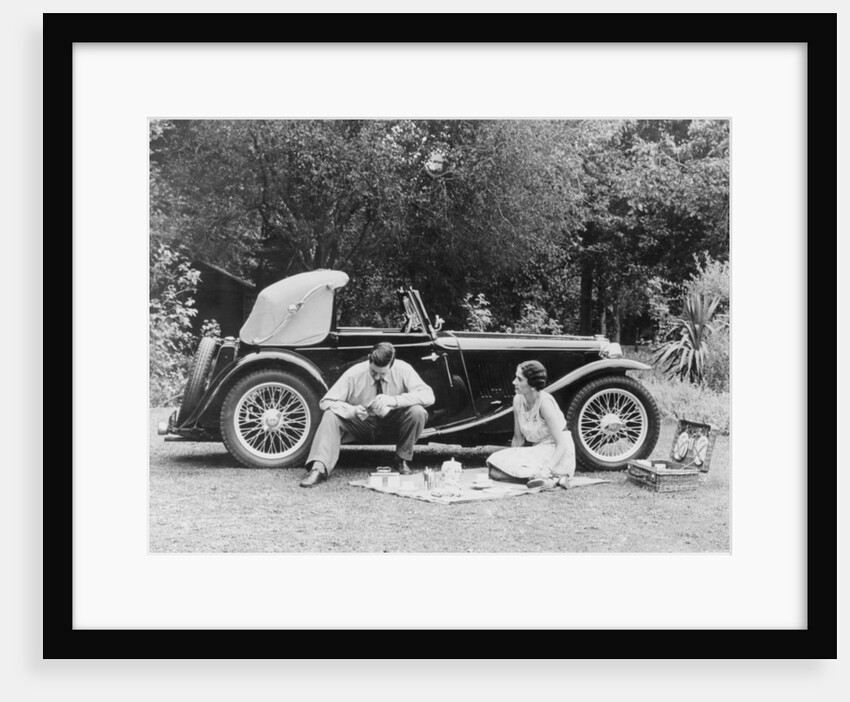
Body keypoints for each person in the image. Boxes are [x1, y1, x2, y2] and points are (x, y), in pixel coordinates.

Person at [300, 342, 436, 487]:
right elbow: (326, 402)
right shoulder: (354, 373)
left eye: (382, 373)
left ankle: (402, 459)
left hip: (392, 424)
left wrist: (394, 400)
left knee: (418, 411)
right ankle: (319, 468)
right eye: (373, 371)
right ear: (369, 359)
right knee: (330, 415)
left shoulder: (404, 369)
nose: (377, 377)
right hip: (361, 424)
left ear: (392, 364)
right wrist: (351, 411)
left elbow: (429, 396)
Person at [486, 360, 576, 490]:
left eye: (519, 379)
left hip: (558, 452)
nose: (514, 382)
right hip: (538, 450)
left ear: (532, 385)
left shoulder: (545, 403)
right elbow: (518, 438)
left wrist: (547, 469)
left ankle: (549, 477)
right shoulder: (518, 399)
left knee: (502, 470)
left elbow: (561, 444)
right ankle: (550, 480)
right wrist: (512, 458)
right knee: (494, 468)